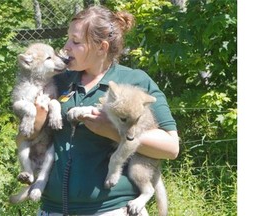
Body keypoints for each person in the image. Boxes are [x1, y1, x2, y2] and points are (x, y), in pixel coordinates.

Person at [30, 5, 179, 216]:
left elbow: (171, 148)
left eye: (76, 41)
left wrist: (111, 130)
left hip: (113, 209)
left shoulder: (134, 81)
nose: (66, 47)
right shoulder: (57, 80)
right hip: (53, 209)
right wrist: (37, 122)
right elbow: (24, 137)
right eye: (67, 39)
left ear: (102, 47)